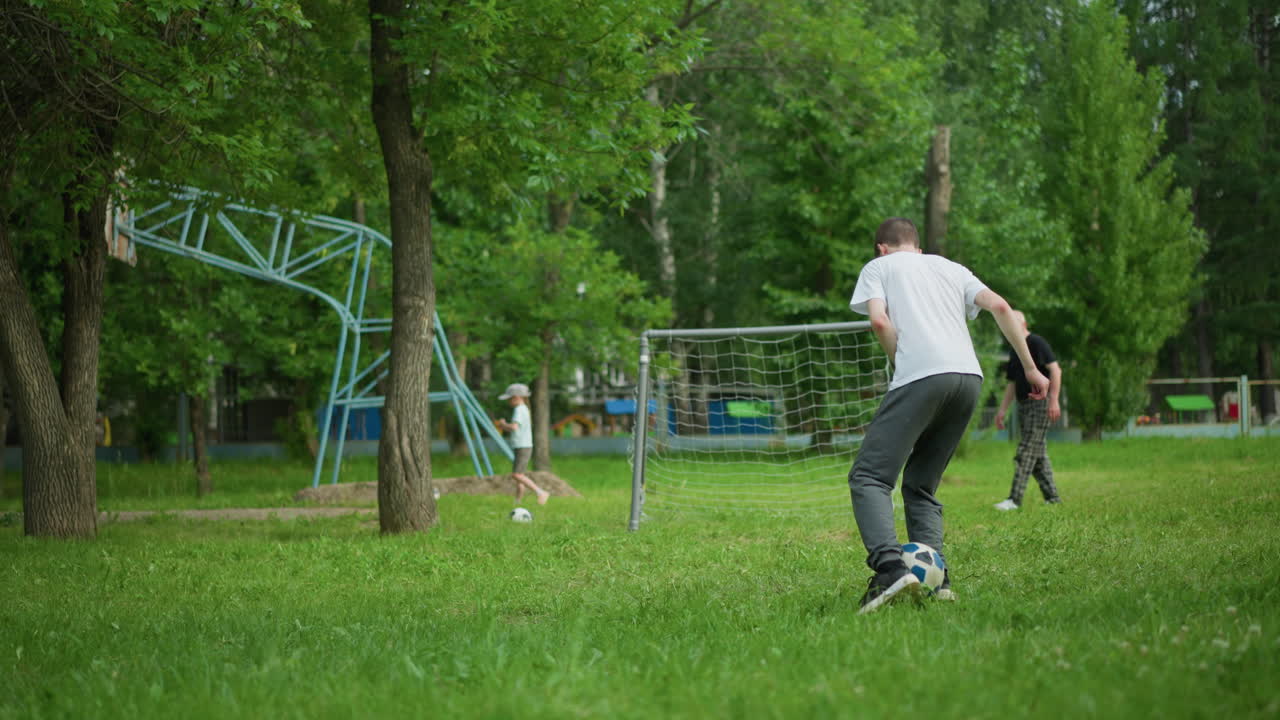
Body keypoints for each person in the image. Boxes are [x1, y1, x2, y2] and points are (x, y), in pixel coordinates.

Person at [847, 217, 1049, 614]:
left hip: (922, 376)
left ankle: (890, 570)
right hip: (968, 378)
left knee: (869, 476)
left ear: (882, 248)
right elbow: (1001, 306)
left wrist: (899, 360)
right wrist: (1029, 367)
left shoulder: (879, 267)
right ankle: (939, 580)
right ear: (919, 249)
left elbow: (878, 320)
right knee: (921, 484)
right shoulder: (951, 268)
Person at [993, 311, 1063, 510]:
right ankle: (1053, 498)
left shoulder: (1037, 342)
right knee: (1037, 453)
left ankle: (1014, 500)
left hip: (1041, 404)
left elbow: (1056, 370)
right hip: (1024, 406)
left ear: (1022, 323)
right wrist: (1002, 411)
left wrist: (1054, 400)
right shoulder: (1015, 350)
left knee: (1026, 451)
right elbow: (1012, 384)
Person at [494, 383, 550, 506]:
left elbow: (514, 427)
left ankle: (541, 492)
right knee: (520, 476)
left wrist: (503, 425)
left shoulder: (519, 410)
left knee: (517, 474)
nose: (508, 401)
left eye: (509, 398)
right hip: (522, 445)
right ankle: (517, 502)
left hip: (522, 446)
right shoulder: (524, 409)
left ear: (516, 397)